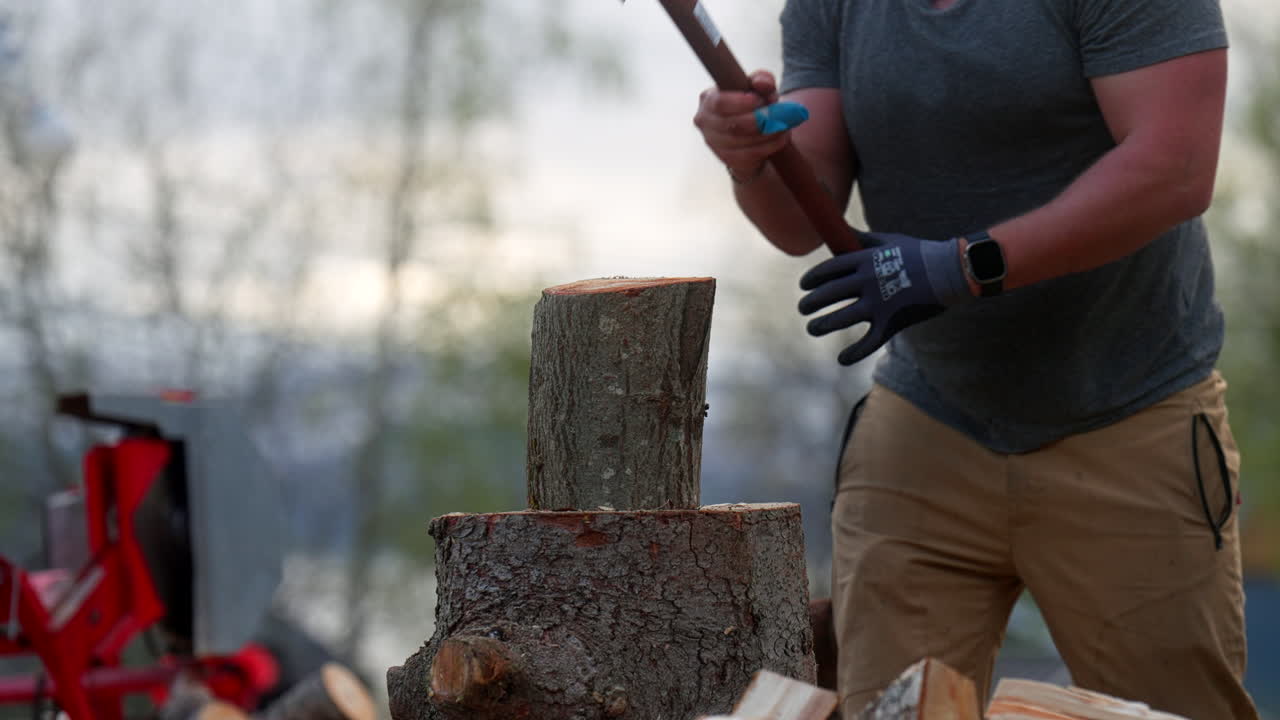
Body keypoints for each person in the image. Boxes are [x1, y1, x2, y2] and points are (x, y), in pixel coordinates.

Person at [692, 0, 1260, 717]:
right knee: (889, 709)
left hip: (1129, 415)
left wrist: (963, 267)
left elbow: (1176, 167)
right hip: (928, 422)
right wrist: (751, 159)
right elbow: (806, 212)